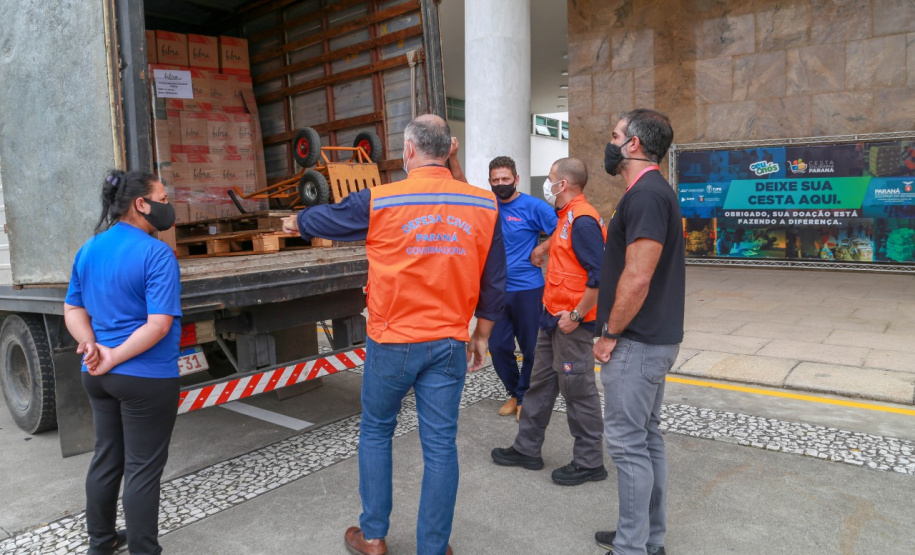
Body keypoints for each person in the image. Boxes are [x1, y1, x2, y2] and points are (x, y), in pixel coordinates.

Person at [282, 114, 505, 555]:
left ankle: (373, 537)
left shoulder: (381, 200)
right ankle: (433, 547)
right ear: (449, 150)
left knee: (377, 431)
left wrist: (296, 223)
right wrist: (481, 335)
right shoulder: (484, 204)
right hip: (448, 342)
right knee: (440, 446)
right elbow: (495, 279)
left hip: (392, 341)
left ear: (408, 150)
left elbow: (329, 218)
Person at [64, 170, 182, 555]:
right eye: (162, 199)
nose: (168, 206)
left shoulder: (90, 248)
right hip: (146, 378)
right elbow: (158, 325)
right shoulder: (156, 253)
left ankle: (101, 543)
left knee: (106, 458)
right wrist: (113, 354)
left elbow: (72, 308)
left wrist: (90, 345)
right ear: (141, 204)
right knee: (143, 470)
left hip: (96, 374)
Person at [593, 109, 683, 555]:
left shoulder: (646, 195)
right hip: (651, 340)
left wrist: (610, 332)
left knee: (629, 447)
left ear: (633, 144)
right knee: (646, 440)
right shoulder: (650, 193)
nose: (610, 144)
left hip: (636, 342)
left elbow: (638, 276)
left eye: (615, 136)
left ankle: (632, 546)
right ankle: (647, 537)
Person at [490, 157, 608, 487]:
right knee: (539, 385)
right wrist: (543, 251)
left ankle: (589, 462)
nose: (547, 183)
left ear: (563, 184)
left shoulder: (583, 220)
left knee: (578, 392)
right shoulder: (565, 216)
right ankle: (526, 449)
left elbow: (600, 276)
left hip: (571, 323)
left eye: (551, 178)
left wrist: (576, 316)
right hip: (550, 317)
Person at [448, 153, 558, 418]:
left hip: (528, 289)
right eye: (495, 180)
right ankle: (515, 392)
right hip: (494, 291)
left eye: (505, 179)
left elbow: (565, 230)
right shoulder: (487, 205)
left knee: (531, 348)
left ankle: (524, 397)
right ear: (489, 182)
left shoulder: (533, 206)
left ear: (516, 179)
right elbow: (462, 186)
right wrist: (453, 157)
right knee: (497, 347)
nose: (500, 184)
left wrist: (541, 249)